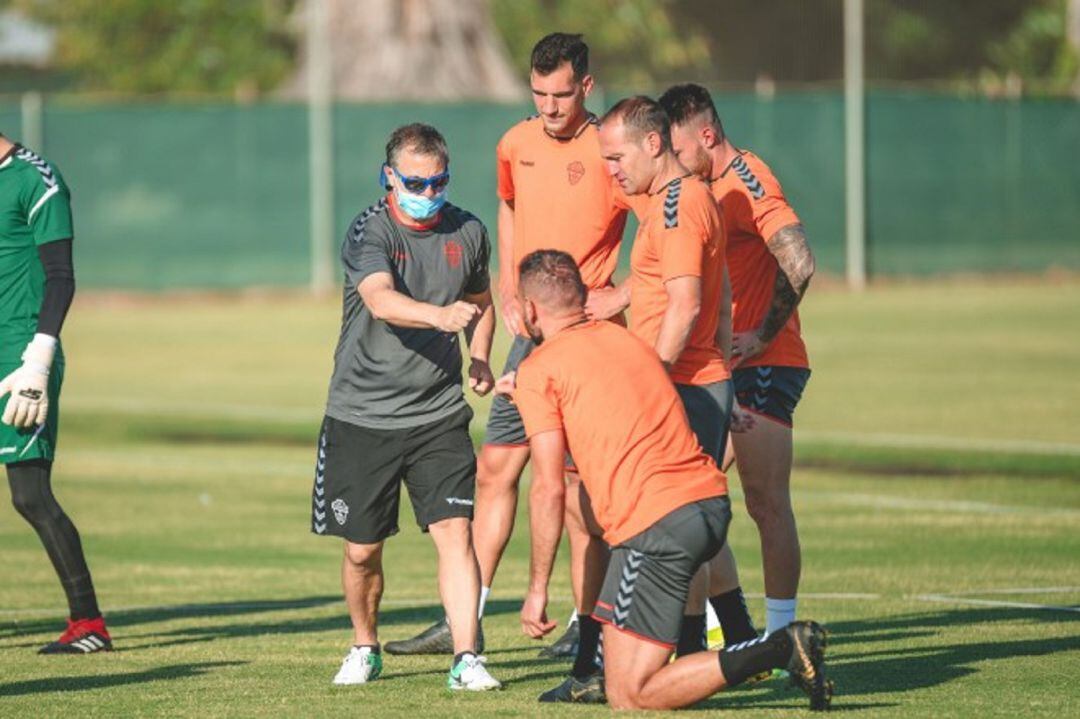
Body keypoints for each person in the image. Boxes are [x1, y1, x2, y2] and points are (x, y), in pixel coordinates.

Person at [387, 32, 629, 671]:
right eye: (539, 94)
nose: (549, 107)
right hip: (528, 339)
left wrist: (620, 293)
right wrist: (508, 287)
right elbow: (509, 205)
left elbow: (662, 218)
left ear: (586, 88)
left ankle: (587, 625)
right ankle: (465, 617)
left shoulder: (611, 150)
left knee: (579, 489)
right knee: (496, 468)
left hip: (584, 342)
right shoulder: (514, 143)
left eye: (561, 94)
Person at [507, 249, 831, 711]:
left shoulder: (539, 369)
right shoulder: (632, 343)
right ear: (583, 297)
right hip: (707, 503)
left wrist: (536, 588)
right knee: (623, 643)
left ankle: (778, 647)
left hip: (657, 525)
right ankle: (610, 666)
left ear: (531, 310)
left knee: (630, 693)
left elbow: (548, 488)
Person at [310, 123, 500, 691]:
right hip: (362, 415)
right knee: (363, 550)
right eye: (415, 181)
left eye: (438, 180)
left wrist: (480, 357)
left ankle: (467, 658)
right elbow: (380, 299)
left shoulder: (467, 230)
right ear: (388, 176)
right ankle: (364, 645)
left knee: (456, 533)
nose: (428, 190)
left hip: (438, 414)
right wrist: (440, 318)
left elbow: (481, 302)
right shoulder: (370, 230)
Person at [588, 97, 759, 657]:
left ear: (653, 144)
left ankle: (682, 657)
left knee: (670, 525)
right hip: (697, 381)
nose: (613, 170)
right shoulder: (675, 200)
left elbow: (686, 305)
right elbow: (719, 293)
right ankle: (736, 639)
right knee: (697, 524)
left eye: (617, 157)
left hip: (681, 387)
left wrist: (654, 382)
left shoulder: (677, 206)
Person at [660, 83, 816, 637]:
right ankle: (739, 632)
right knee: (694, 499)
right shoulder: (700, 187)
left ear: (706, 135)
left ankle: (782, 637)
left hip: (766, 362)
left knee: (765, 504)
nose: (673, 163)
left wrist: (760, 334)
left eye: (677, 150)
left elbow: (799, 261)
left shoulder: (747, 179)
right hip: (726, 365)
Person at [0, 134, 110, 654]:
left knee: (29, 495)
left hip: (19, 360)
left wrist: (38, 362)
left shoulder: (35, 179)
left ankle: (88, 625)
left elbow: (61, 278)